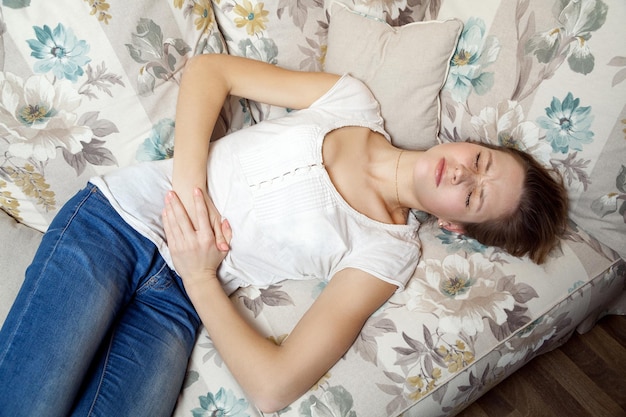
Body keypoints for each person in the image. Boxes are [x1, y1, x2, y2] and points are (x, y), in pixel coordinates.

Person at [0, 55, 568, 416]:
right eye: (479, 159)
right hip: (118, 221)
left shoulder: (389, 250)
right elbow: (209, 73)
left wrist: (199, 278)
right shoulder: (352, 100)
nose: (463, 173)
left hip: (174, 302)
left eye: (473, 195)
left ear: (454, 225)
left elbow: (273, 387)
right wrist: (190, 195)